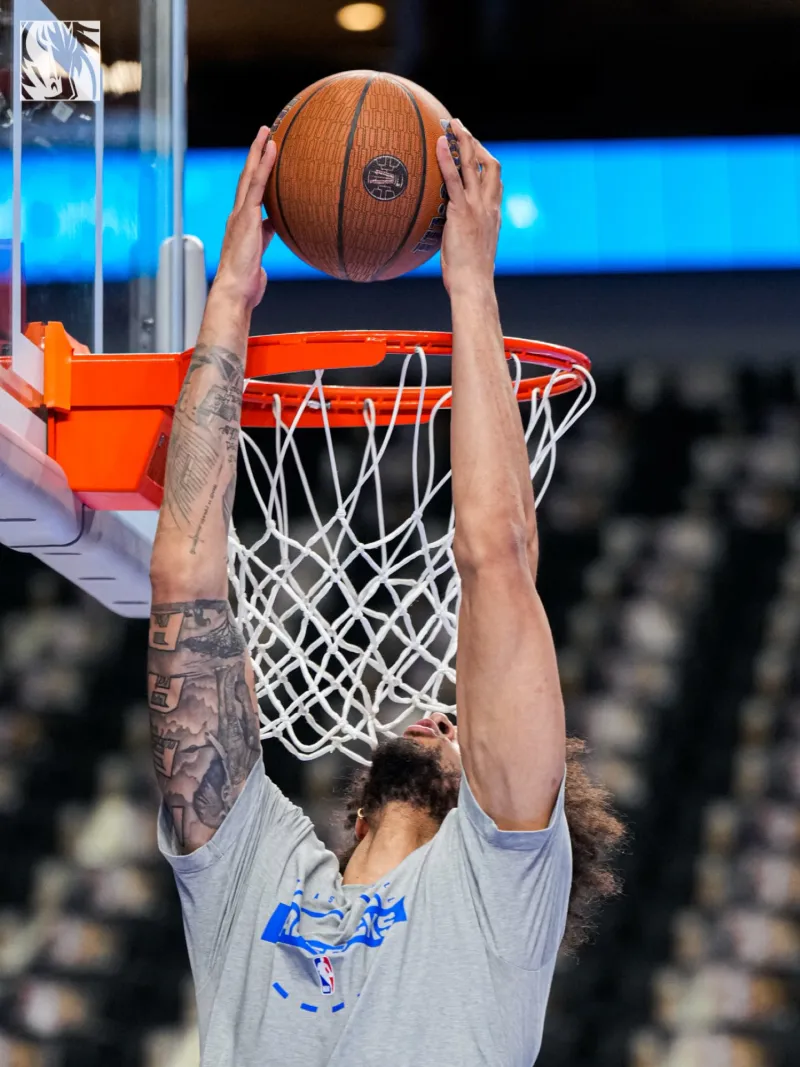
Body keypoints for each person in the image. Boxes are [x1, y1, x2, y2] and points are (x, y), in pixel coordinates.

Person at [147, 121, 624, 1067]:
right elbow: (187, 581)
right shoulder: (261, 869)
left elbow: (494, 554)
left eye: (465, 725)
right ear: (355, 810)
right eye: (452, 713)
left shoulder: (501, 882)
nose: (447, 715)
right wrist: (233, 304)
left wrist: (471, 288)